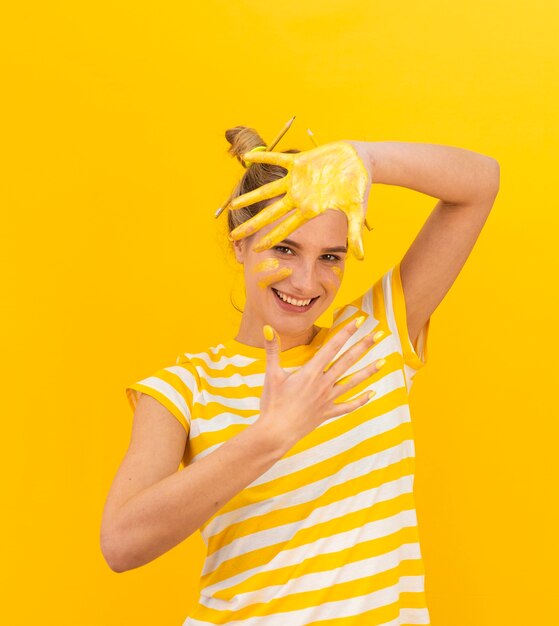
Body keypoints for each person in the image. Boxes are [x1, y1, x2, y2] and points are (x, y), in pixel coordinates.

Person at [100, 123, 500, 625]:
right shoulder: (186, 387)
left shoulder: (374, 337)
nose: (306, 281)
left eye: (330, 256)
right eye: (284, 249)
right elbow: (121, 544)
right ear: (241, 244)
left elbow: (481, 182)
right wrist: (270, 435)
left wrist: (367, 159)